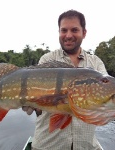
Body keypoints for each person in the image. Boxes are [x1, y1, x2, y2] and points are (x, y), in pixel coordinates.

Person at [22, 9, 107, 150]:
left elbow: (104, 98)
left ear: (84, 33)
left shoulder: (96, 63)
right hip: (49, 145)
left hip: (86, 145)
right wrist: (30, 103)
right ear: (59, 32)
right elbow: (34, 98)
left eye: (74, 30)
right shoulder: (47, 60)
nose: (68, 35)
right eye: (64, 30)